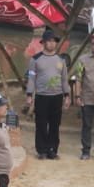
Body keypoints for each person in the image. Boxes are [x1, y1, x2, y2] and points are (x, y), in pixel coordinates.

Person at [26, 28, 71, 159]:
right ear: (43, 42)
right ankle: (41, 150)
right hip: (41, 96)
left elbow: (64, 79)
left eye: (54, 41)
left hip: (56, 96)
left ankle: (52, 149)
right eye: (49, 41)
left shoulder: (60, 59)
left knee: (55, 124)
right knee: (41, 123)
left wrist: (67, 96)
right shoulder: (35, 59)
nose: (51, 44)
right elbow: (32, 78)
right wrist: (29, 94)